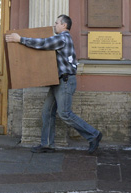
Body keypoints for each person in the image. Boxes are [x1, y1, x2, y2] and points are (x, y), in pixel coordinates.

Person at [5, 15, 103, 154]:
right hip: (58, 81)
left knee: (65, 113)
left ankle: (94, 135)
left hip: (65, 81)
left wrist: (20, 39)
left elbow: (43, 43)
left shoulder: (62, 38)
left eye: (57, 23)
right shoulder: (61, 38)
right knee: (47, 112)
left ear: (64, 25)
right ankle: (47, 144)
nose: (54, 25)